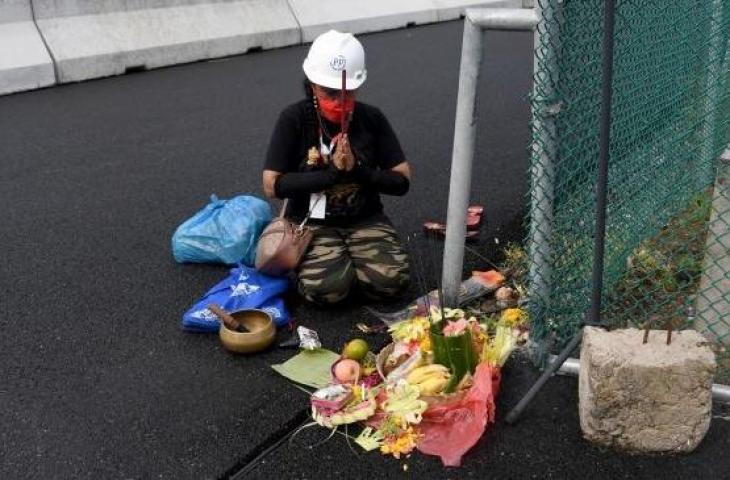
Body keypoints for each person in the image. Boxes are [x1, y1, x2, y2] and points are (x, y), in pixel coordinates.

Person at [262, 30, 411, 305]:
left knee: (392, 283)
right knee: (329, 290)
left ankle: (354, 265)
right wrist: (330, 175)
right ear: (312, 84)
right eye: (329, 93)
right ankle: (329, 270)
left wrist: (357, 170)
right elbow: (273, 185)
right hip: (312, 225)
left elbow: (401, 180)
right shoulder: (294, 118)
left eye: (347, 93)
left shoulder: (371, 118)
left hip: (365, 220)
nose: (339, 101)